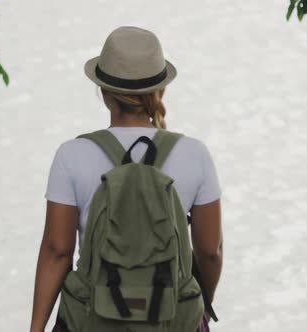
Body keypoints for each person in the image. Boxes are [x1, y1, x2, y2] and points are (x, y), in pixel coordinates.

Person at [30, 26, 223, 332]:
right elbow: (210, 252)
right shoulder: (195, 154)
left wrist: (36, 327)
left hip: (92, 318)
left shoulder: (72, 155)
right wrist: (197, 308)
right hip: (174, 319)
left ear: (105, 93)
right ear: (159, 91)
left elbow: (58, 250)